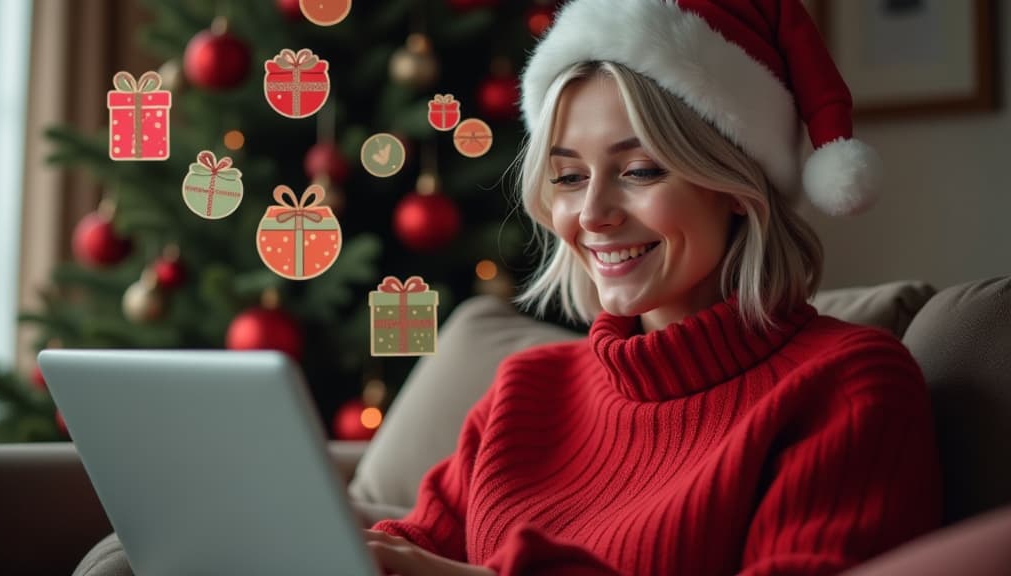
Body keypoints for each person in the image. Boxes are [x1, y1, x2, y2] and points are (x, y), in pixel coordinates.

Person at [363, 0, 942, 575]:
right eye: (568, 177)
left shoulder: (848, 384)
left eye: (639, 171)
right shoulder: (523, 391)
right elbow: (405, 544)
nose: (592, 215)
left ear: (735, 188)